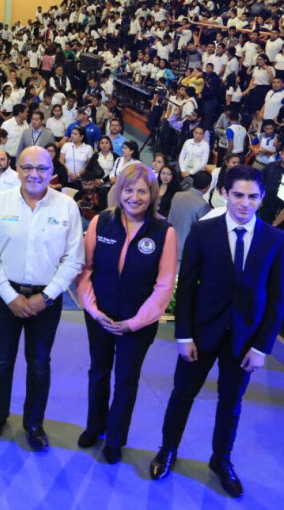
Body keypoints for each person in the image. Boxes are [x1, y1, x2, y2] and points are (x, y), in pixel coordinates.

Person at [150, 165, 284, 499]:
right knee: (181, 394)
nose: (245, 203)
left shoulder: (276, 240)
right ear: (224, 194)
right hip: (200, 334)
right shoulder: (203, 231)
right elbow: (186, 290)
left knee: (231, 403)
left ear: (262, 198)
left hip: (244, 340)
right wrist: (183, 335)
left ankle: (221, 460)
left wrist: (262, 347)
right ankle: (167, 450)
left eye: (253, 197)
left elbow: (278, 299)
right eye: (238, 195)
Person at [0, 146, 84, 451]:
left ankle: (34, 423)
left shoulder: (67, 207)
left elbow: (73, 258)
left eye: (41, 168)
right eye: (27, 168)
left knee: (39, 364)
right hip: (4, 297)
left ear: (52, 171)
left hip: (46, 301)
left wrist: (48, 296)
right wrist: (11, 297)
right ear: (17, 169)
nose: (34, 174)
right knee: (1, 361)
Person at [75, 162, 177, 464]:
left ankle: (116, 439)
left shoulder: (164, 231)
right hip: (100, 316)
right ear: (119, 191)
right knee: (98, 372)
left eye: (142, 191)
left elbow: (164, 285)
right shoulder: (101, 222)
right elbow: (85, 269)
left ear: (153, 194)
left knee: (126, 380)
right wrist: (93, 310)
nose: (135, 197)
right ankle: (95, 426)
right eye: (129, 190)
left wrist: (134, 322)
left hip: (138, 323)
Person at [167, 171, 212, 261]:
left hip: (169, 243)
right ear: (208, 186)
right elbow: (205, 232)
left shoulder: (177, 195)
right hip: (186, 250)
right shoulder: (203, 205)